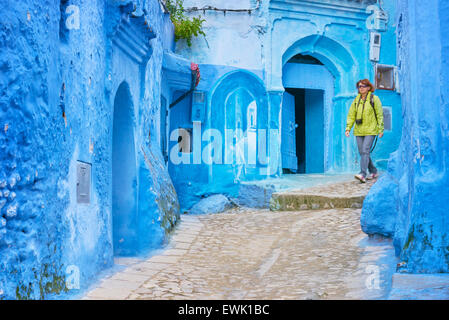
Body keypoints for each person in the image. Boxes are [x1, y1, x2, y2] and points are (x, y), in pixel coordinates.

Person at [345, 79, 384, 183]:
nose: (361, 88)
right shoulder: (356, 100)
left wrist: (380, 129)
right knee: (362, 152)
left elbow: (380, 114)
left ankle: (362, 174)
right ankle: (373, 170)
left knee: (365, 150)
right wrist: (348, 128)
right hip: (359, 130)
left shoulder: (374, 99)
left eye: (363, 86)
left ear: (368, 87)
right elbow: (351, 115)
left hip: (371, 130)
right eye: (359, 86)